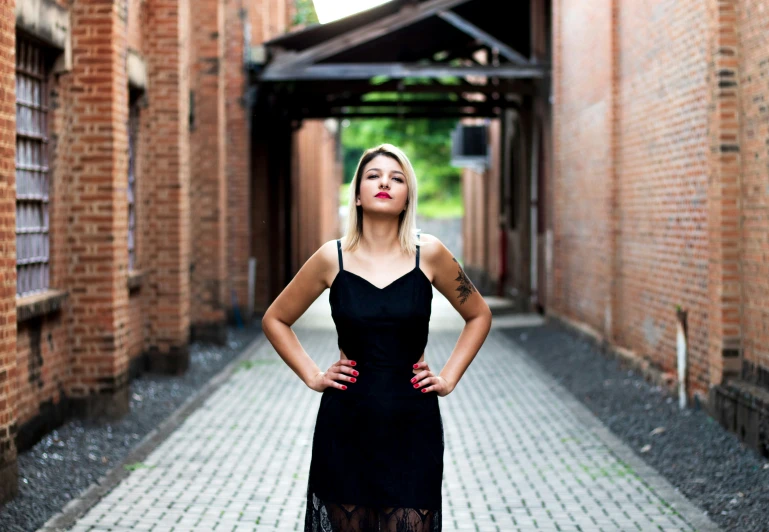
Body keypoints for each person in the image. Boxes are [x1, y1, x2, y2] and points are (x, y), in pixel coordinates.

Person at [261, 144, 493, 532]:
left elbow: (479, 314)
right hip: (346, 426)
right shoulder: (330, 258)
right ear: (356, 194)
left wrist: (449, 377)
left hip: (412, 425)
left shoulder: (431, 254)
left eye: (397, 177)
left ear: (406, 198)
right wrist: (314, 375)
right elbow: (275, 319)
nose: (385, 182)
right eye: (373, 176)